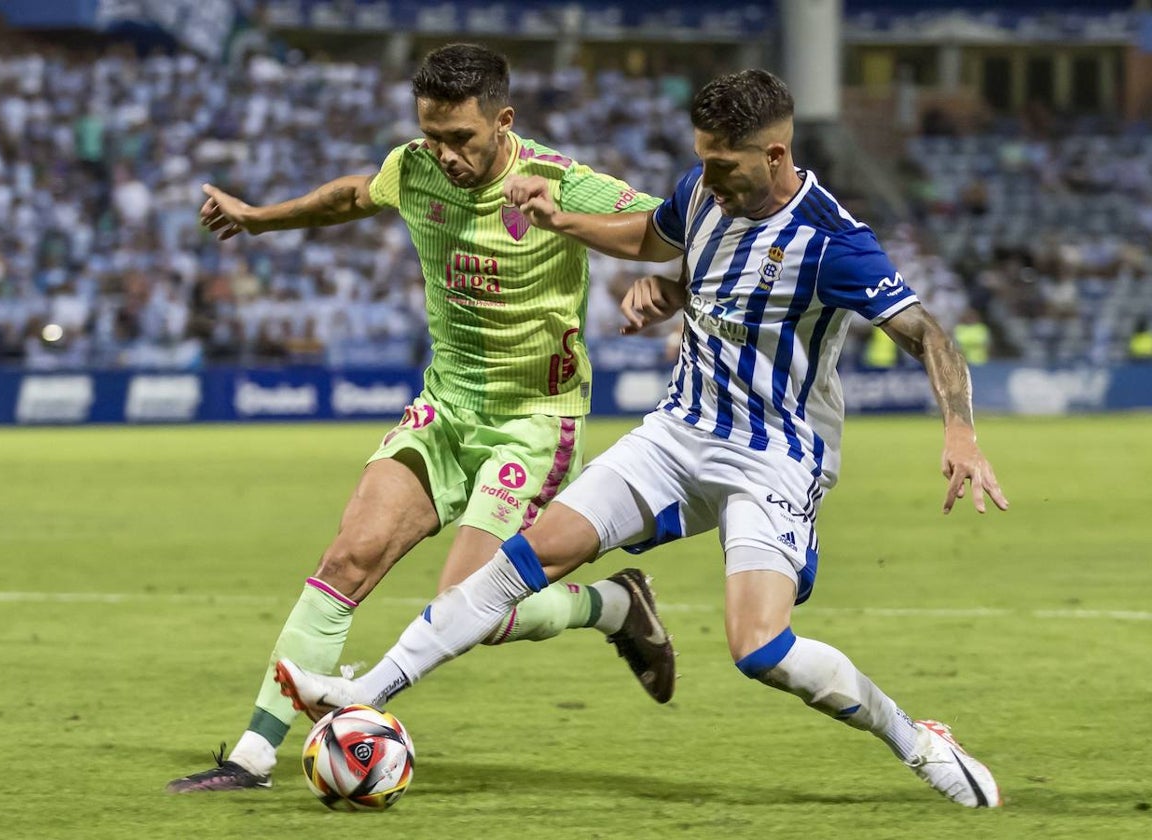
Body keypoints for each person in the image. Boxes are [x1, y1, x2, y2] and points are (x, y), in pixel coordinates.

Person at [276, 69, 1010, 808]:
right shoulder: (703, 189)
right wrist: (586, 233)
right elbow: (651, 235)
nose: (711, 182)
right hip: (676, 432)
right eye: (705, 162)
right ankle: (360, 693)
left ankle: (919, 742)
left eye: (727, 168)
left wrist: (961, 431)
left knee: (760, 650)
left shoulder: (834, 241)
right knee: (514, 567)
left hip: (773, 457)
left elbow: (927, 335)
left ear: (777, 155)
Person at [166, 43, 678, 794]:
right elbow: (352, 196)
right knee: (348, 557)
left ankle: (611, 606)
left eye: (460, 139)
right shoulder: (414, 166)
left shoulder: (562, 182)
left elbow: (668, 226)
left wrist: (665, 285)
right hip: (443, 408)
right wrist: (258, 220)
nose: (442, 155)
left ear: (503, 122)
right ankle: (251, 754)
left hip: (532, 421)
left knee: (468, 608)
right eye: (430, 135)